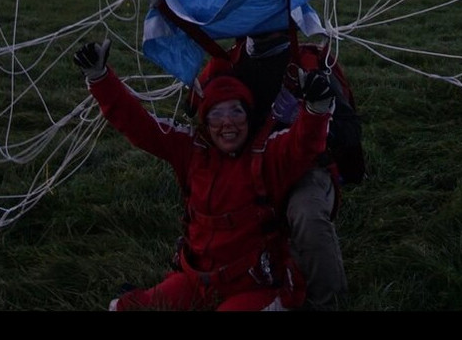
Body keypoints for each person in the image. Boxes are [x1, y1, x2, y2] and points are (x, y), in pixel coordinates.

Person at [75, 37, 336, 311]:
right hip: (195, 280)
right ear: (205, 122)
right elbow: (140, 126)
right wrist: (100, 78)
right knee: (130, 308)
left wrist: (317, 108)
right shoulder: (190, 149)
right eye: (216, 114)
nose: (227, 123)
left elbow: (304, 143)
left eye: (236, 112)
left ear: (248, 117)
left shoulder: (268, 154)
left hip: (255, 284)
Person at [188, 30, 352, 310]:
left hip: (302, 166)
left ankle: (327, 302)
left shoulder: (308, 61)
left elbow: (346, 132)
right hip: (247, 165)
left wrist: (316, 107)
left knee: (306, 215)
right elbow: (195, 110)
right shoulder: (230, 61)